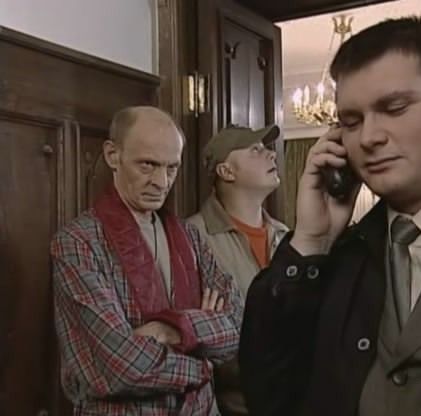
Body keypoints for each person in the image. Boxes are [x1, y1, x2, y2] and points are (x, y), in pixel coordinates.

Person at [239, 16, 421, 416]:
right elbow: (269, 395)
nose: (369, 137)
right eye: (351, 122)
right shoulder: (342, 256)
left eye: (394, 108)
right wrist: (311, 242)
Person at [51, 106, 242, 416]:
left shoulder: (189, 237)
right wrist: (203, 364)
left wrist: (171, 330)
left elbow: (237, 325)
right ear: (113, 155)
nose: (162, 182)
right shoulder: (78, 242)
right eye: (148, 165)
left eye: (171, 168)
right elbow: (122, 366)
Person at [188, 125, 288, 415]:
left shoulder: (286, 236)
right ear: (226, 171)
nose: (271, 154)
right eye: (255, 150)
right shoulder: (192, 237)